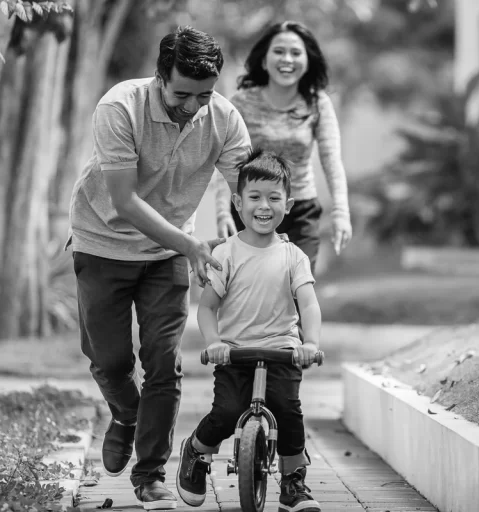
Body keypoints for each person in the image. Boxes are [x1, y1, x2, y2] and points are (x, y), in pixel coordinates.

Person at [66, 26, 251, 510]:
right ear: (159, 77)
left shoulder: (224, 118)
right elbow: (124, 201)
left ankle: (149, 476)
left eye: (204, 96)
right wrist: (191, 242)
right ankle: (126, 414)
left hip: (166, 256)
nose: (192, 107)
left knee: (164, 364)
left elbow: (246, 191)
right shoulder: (119, 108)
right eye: (182, 95)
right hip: (101, 243)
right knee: (108, 360)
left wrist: (254, 235)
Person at [177, 150, 322, 512]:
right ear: (238, 203)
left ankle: (293, 483)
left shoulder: (293, 256)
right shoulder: (226, 253)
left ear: (288, 205)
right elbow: (208, 307)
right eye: (255, 197)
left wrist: (311, 342)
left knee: (288, 412)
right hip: (235, 352)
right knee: (226, 412)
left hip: (282, 350)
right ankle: (197, 451)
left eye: (274, 198)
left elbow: (309, 304)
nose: (264, 206)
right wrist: (214, 342)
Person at [215, 20, 352, 272]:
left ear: (307, 61)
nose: (287, 59)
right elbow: (229, 163)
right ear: (265, 60)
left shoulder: (318, 103)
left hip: (300, 210)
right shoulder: (242, 103)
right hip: (251, 209)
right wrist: (223, 211)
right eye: (279, 51)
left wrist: (341, 212)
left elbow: (332, 161)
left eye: (295, 52)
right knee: (251, 294)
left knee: (298, 290)